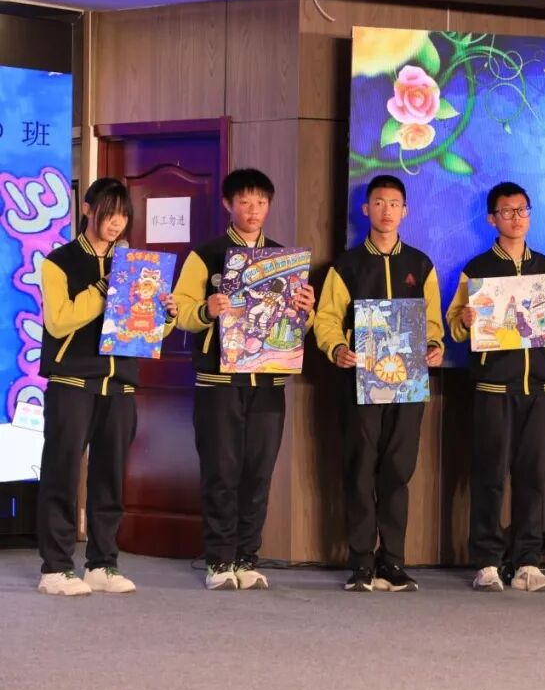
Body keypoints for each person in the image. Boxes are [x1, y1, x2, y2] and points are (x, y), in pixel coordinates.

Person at [174, 168, 316, 590]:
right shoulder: (206, 255)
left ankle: (246, 557)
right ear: (228, 204)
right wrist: (207, 309)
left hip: (268, 382)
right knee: (221, 471)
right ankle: (219, 561)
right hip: (218, 382)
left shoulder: (283, 259)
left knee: (258, 472)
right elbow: (181, 313)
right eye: (244, 202)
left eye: (261, 203)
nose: (253, 211)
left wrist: (304, 311)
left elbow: (295, 329)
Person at [37, 178, 177, 596]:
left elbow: (149, 332)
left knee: (110, 477)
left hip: (120, 384)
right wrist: (104, 288)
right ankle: (55, 568)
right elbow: (58, 321)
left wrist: (165, 313)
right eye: (108, 213)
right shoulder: (59, 262)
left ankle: (102, 563)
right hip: (73, 381)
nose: (116, 223)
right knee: (62, 473)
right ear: (87, 209)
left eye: (122, 216)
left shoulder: (136, 265)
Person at [313, 174, 444, 593]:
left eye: (394, 204)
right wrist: (337, 348)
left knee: (397, 471)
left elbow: (433, 322)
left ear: (405, 211)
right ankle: (361, 563)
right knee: (360, 471)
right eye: (379, 203)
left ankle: (393, 562)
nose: (387, 211)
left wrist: (435, 345)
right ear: (366, 209)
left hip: (408, 384)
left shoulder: (420, 264)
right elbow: (326, 319)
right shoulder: (347, 265)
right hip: (361, 382)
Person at [446, 182, 545, 592]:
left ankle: (527, 562)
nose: (516, 218)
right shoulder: (478, 269)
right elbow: (454, 326)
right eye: (506, 211)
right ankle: (487, 561)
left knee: (533, 477)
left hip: (542, 388)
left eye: (522, 210)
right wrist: (465, 320)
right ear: (491, 219)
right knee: (489, 476)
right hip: (493, 387)